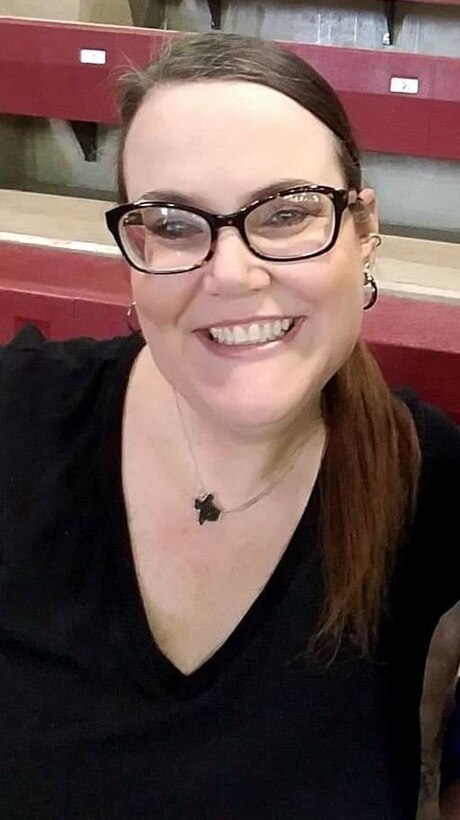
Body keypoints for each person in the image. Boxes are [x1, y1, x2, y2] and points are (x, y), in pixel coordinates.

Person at [0, 32, 458, 820]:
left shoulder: (432, 481)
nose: (233, 274)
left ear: (364, 229)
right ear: (134, 249)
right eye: (175, 225)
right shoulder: (18, 419)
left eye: (286, 213)